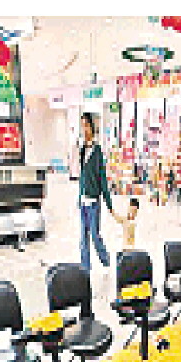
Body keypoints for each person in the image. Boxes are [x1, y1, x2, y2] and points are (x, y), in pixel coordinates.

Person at [78, 112, 114, 272]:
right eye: (82, 126)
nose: (84, 129)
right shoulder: (82, 150)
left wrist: (109, 204)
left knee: (94, 234)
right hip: (83, 201)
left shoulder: (97, 151)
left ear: (92, 127)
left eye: (86, 125)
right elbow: (82, 176)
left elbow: (102, 180)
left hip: (94, 202)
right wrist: (79, 196)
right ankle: (85, 268)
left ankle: (106, 260)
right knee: (83, 237)